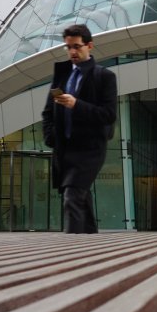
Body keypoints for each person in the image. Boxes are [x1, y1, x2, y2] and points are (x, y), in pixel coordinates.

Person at [41, 24, 118, 234]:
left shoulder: (104, 77)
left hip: (90, 149)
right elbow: (48, 112)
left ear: (89, 46)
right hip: (65, 148)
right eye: (68, 47)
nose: (72, 52)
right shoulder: (62, 75)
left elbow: (109, 115)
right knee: (81, 198)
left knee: (72, 194)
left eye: (77, 46)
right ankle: (90, 245)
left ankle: (70, 251)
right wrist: (51, 137)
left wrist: (77, 105)